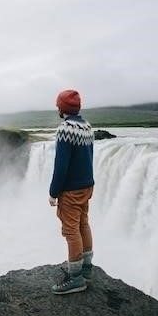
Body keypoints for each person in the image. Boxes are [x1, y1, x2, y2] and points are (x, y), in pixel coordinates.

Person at [48, 89, 95, 295]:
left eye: (58, 105)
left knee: (71, 230)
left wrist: (53, 191)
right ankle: (86, 268)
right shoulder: (87, 126)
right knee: (83, 223)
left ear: (62, 108)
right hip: (87, 185)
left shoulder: (65, 129)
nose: (57, 108)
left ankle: (75, 278)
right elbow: (89, 157)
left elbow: (61, 165)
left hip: (71, 189)